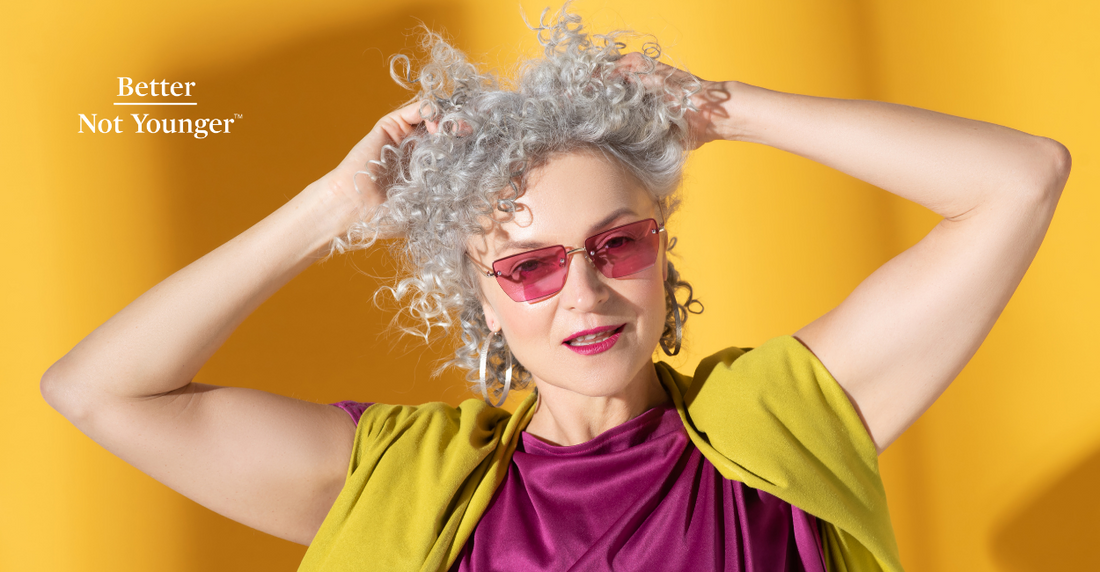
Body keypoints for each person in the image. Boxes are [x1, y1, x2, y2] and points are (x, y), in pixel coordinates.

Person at [40, 6, 1069, 572]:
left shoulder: (780, 419)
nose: (583, 290)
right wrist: (330, 205)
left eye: (615, 243)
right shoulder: (401, 477)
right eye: (529, 264)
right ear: (483, 296)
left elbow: (1020, 178)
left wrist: (717, 108)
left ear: (660, 258)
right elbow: (97, 389)